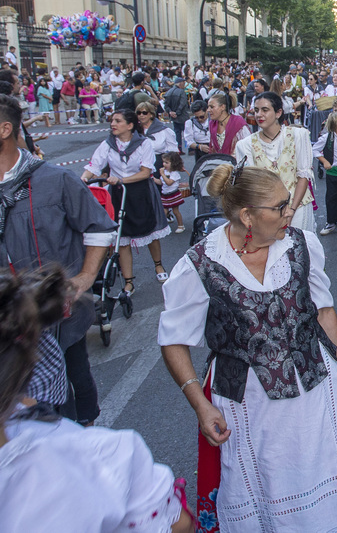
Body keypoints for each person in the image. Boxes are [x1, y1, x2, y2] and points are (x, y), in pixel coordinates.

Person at [159, 163, 337, 533]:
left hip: (316, 390)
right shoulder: (200, 265)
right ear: (246, 215)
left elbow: (323, 307)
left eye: (288, 203)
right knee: (266, 488)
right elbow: (173, 341)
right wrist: (199, 405)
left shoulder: (301, 244)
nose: (290, 213)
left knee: (322, 487)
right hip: (248, 406)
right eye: (280, 206)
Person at [0, 267, 194, 532]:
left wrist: (87, 276)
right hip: (64, 442)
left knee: (80, 379)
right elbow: (179, 524)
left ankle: (86, 418)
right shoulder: (105, 457)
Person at [0, 94, 116, 428]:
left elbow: (98, 228)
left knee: (74, 377)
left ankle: (83, 433)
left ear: (5, 129)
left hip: (58, 312)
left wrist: (84, 277)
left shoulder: (54, 179)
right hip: (8, 321)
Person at [81, 109, 171, 290]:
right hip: (118, 193)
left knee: (150, 232)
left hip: (140, 191)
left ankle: (158, 264)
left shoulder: (144, 143)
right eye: (112, 120)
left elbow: (146, 172)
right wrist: (83, 179)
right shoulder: (108, 144)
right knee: (122, 236)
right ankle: (129, 281)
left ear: (130, 126)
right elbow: (94, 165)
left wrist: (121, 180)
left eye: (118, 121)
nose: (113, 124)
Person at [233, 91, 315, 232]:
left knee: (300, 248)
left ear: (278, 113)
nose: (259, 115)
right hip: (266, 211)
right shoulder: (245, 145)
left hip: (298, 206)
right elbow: (252, 184)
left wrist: (292, 209)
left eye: (265, 110)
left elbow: (303, 176)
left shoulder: (298, 135)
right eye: (256, 110)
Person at [136, 103, 178, 174]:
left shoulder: (164, 131)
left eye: (144, 113)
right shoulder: (134, 131)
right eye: (138, 113)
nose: (141, 115)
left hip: (159, 166)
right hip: (139, 166)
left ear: (151, 114)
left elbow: (173, 151)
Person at [156, 151, 186, 233]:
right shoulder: (165, 172)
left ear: (173, 163)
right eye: (163, 162)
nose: (164, 164)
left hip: (173, 194)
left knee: (175, 211)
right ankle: (162, 226)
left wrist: (162, 174)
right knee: (164, 211)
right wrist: (154, 179)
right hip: (165, 194)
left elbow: (169, 183)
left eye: (167, 162)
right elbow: (161, 182)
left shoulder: (174, 173)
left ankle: (181, 225)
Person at [164, 77, 190, 152]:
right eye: (183, 83)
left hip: (174, 116)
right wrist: (177, 112)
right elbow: (183, 103)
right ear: (180, 83)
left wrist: (170, 112)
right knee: (187, 132)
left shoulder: (169, 92)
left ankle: (179, 148)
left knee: (177, 133)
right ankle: (190, 148)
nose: (184, 85)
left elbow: (166, 105)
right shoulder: (181, 92)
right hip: (182, 115)